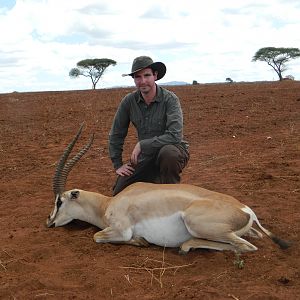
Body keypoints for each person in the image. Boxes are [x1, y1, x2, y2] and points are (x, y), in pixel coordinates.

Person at [108, 56, 189, 195]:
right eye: (138, 77)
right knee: (118, 193)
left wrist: (142, 145)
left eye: (147, 75)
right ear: (134, 79)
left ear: (155, 76)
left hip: (172, 150)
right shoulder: (128, 101)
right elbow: (116, 134)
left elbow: (175, 136)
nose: (143, 81)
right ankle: (153, 177)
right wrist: (118, 164)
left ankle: (171, 196)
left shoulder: (170, 99)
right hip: (145, 156)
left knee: (169, 154)